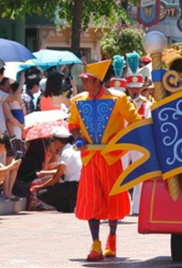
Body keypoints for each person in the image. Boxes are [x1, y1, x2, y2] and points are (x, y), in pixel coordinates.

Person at [69, 59, 141, 261]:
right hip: (89, 158)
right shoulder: (77, 100)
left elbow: (135, 121)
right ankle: (95, 244)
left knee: (112, 201)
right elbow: (73, 125)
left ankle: (112, 239)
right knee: (91, 200)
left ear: (98, 81)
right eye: (83, 80)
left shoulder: (118, 98)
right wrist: (78, 138)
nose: (84, 83)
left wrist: (121, 141)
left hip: (111, 157)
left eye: (87, 80)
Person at [33, 129, 81, 213]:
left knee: (41, 193)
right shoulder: (73, 149)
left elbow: (56, 178)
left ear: (57, 142)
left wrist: (40, 187)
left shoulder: (65, 153)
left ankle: (68, 205)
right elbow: (64, 170)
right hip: (79, 184)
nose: (52, 143)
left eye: (52, 141)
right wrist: (44, 173)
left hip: (73, 186)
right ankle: (69, 203)